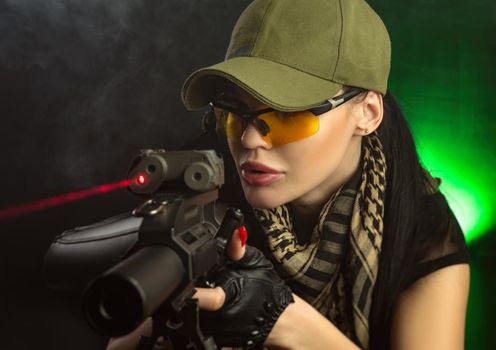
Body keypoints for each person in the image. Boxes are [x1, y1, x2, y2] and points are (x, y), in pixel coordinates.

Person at [108, 0, 470, 349]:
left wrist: (289, 325)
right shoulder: (203, 196)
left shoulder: (422, 229)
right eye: (233, 112)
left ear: (367, 114)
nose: (249, 138)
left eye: (286, 115)